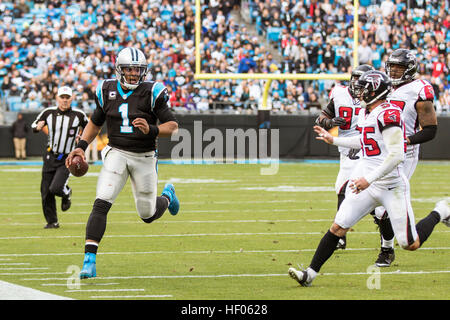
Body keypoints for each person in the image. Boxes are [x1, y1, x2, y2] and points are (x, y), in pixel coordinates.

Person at [288, 70, 449, 287]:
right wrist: (333, 140)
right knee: (338, 227)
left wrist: (368, 179)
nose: (359, 92)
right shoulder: (368, 112)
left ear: (375, 90)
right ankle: (309, 274)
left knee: (410, 243)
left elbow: (397, 155)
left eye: (364, 88)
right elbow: (364, 140)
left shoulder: (388, 114)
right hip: (368, 182)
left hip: (391, 185)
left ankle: (441, 211)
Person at [66, 47, 180, 279]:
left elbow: (173, 127)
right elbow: (95, 122)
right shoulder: (106, 89)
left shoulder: (152, 92)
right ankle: (89, 261)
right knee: (101, 202)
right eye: (129, 69)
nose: (133, 74)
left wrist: (153, 129)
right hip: (116, 152)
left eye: (137, 70)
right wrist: (81, 145)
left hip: (144, 157)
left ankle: (167, 197)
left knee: (147, 214)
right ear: (119, 69)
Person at [371, 49, 438, 267]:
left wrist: (406, 141)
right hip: (380, 151)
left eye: (398, 67)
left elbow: (430, 130)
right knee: (367, 200)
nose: (393, 71)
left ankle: (387, 250)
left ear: (409, 69)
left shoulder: (420, 90)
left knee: (383, 208)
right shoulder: (383, 86)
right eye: (391, 66)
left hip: (404, 155)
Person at [315, 64, 374, 249]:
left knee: (371, 196)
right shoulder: (340, 94)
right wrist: (330, 122)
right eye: (355, 78)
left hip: (368, 149)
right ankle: (340, 236)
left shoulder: (376, 99)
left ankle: (385, 243)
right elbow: (320, 119)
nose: (357, 83)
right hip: (346, 149)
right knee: (342, 189)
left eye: (361, 79)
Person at [31, 86, 89, 229]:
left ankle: (66, 193)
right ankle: (52, 222)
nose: (64, 100)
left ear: (72, 99)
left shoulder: (79, 114)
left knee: (56, 188)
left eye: (67, 97)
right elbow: (34, 124)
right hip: (50, 156)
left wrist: (81, 137)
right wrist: (37, 127)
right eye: (62, 97)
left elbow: (89, 128)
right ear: (57, 98)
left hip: (67, 157)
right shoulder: (48, 112)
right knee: (45, 191)